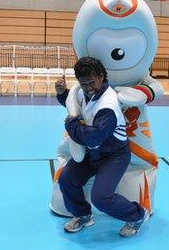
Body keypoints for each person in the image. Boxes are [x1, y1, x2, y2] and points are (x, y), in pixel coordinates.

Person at [55, 57, 149, 237]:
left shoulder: (108, 105)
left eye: (92, 82)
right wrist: (62, 93)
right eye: (83, 83)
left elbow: (92, 137)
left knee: (101, 197)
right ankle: (83, 215)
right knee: (67, 179)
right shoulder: (85, 92)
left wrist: (71, 124)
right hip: (94, 153)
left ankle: (137, 216)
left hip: (114, 156)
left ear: (101, 77)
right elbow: (77, 103)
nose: (88, 87)